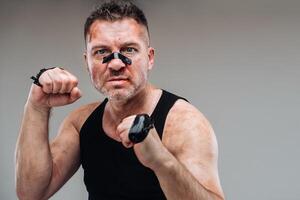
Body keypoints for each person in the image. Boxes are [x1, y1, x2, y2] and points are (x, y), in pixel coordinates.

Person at [15, 0, 225, 199]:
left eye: (129, 50)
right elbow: (31, 193)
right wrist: (37, 106)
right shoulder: (81, 123)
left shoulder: (184, 123)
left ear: (149, 58)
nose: (116, 64)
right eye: (102, 52)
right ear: (87, 62)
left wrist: (162, 161)